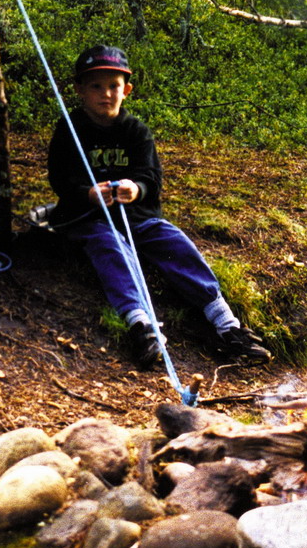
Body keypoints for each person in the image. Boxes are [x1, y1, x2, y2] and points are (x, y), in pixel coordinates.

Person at [47, 45, 271, 368]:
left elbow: (151, 178)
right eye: (95, 86)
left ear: (127, 90)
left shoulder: (136, 131)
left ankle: (225, 323)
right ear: (79, 89)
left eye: (113, 86)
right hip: (89, 217)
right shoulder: (69, 130)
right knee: (111, 246)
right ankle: (141, 325)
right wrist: (88, 194)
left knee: (174, 241)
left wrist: (135, 190)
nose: (106, 94)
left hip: (136, 217)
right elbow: (60, 179)